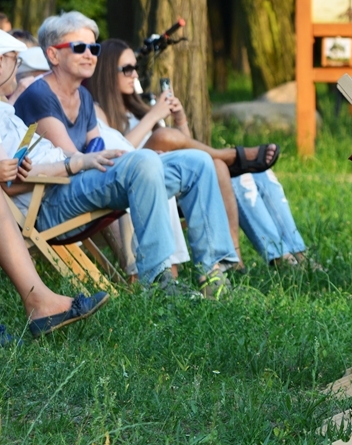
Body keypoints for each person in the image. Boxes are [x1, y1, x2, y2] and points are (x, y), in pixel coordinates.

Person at [2, 15, 238, 296]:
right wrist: (132, 161)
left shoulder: (81, 97)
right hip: (54, 197)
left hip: (81, 182)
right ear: (53, 54)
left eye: (94, 48)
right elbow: (71, 159)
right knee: (143, 162)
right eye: (80, 48)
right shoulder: (39, 95)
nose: (90, 55)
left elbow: (95, 148)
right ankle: (158, 280)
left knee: (196, 162)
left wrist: (132, 160)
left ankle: (213, 274)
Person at [85, 39, 308, 267]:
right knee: (164, 136)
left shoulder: (137, 108)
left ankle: (241, 257)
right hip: (137, 177)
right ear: (107, 72)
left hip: (170, 172)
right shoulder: (97, 111)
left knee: (224, 167)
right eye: (127, 69)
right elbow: (116, 153)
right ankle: (227, 155)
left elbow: (186, 146)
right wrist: (153, 117)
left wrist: (180, 120)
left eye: (136, 68)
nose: (135, 75)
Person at [0, 33, 109, 343]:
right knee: (128, 169)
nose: (20, 71)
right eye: (16, 61)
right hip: (46, 192)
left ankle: (41, 301)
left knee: (128, 166)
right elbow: (10, 184)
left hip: (50, 182)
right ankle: (40, 301)